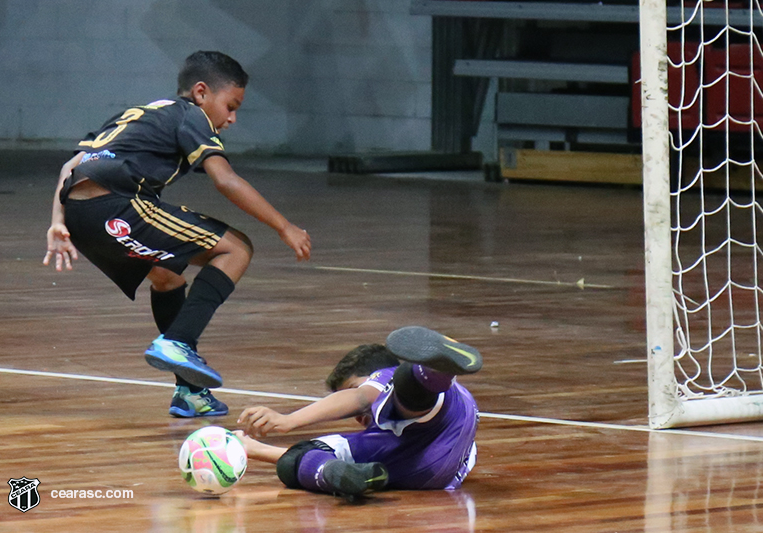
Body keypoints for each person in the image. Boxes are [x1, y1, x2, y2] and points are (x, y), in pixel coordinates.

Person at [43, 51, 311, 418]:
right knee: (236, 249)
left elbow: (71, 164)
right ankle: (179, 341)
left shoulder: (138, 113)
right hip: (118, 204)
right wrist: (285, 226)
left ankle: (190, 393)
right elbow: (226, 180)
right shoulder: (191, 115)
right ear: (201, 92)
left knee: (167, 276)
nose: (231, 119)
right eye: (230, 106)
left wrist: (56, 221)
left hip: (79, 215)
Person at [235, 326, 482, 499]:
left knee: (401, 390)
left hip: (441, 417)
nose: (353, 416)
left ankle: (431, 371)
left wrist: (286, 420)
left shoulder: (384, 375)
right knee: (295, 459)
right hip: (428, 470)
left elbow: (361, 397)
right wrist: (253, 449)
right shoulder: (380, 439)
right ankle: (344, 476)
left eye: (350, 386)